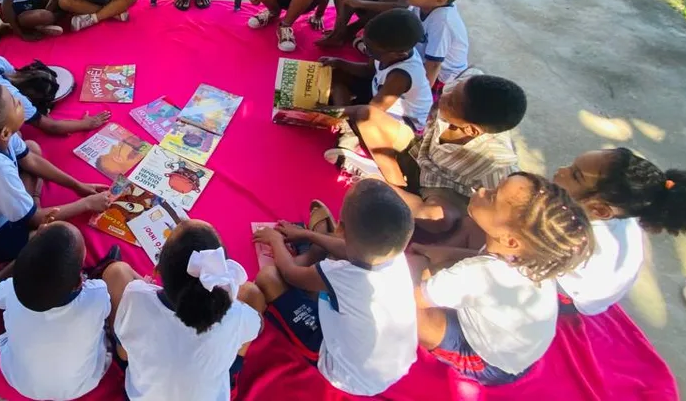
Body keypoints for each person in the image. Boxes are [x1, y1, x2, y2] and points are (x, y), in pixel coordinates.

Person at [410, 173, 594, 385]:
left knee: (407, 294)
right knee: (435, 258)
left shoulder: (478, 275)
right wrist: (433, 253)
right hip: (516, 351)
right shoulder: (530, 257)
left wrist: (416, 265)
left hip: (489, 363)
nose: (481, 191)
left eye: (492, 196)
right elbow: (475, 260)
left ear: (510, 239)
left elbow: (416, 298)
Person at [253, 180, 418, 396]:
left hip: (343, 370)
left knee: (269, 277)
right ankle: (315, 248)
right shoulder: (394, 257)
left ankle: (313, 253)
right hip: (393, 366)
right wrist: (308, 235)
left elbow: (291, 274)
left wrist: (275, 240)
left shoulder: (343, 276)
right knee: (328, 264)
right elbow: (349, 249)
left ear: (341, 228)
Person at [328, 74, 527, 239]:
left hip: (442, 190)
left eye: (451, 101)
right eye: (453, 89)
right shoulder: (458, 95)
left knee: (439, 219)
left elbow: (507, 216)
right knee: (367, 114)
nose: (444, 95)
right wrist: (326, 114)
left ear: (471, 130)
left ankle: (377, 181)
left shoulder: (497, 163)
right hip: (418, 153)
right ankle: (392, 185)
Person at [0, 83, 108, 268]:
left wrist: (78, 186)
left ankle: (29, 206)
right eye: (15, 104)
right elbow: (36, 220)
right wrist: (86, 204)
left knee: (32, 148)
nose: (20, 101)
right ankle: (23, 228)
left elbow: (31, 160)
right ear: (4, 132)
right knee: (61, 235)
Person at [104, 220, 264, 401]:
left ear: (157, 272)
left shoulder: (136, 297)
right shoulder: (237, 315)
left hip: (142, 394)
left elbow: (123, 354)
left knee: (116, 272)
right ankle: (233, 364)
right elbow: (257, 326)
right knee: (251, 292)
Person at [554, 148, 686, 316]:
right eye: (571, 166)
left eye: (575, 176)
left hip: (579, 298)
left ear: (600, 211)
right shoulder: (619, 213)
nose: (561, 170)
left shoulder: (583, 241)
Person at [0, 222, 116, 401]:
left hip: (19, 381)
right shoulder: (97, 294)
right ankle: (102, 268)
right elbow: (105, 311)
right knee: (104, 317)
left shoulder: (10, 289)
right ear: (80, 281)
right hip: (81, 385)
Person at [319, 9, 432, 179]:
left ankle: (352, 135)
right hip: (377, 95)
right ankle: (347, 124)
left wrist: (331, 110)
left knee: (363, 119)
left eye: (372, 51)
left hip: (402, 124)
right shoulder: (386, 51)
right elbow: (367, 70)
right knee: (335, 72)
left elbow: (371, 112)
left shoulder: (400, 76)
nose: (368, 51)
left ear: (398, 54)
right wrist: (339, 62)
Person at [406, 0, 470, 93]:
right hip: (421, 59)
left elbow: (434, 65)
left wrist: (419, 95)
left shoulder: (442, 22)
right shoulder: (421, 5)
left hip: (443, 77)